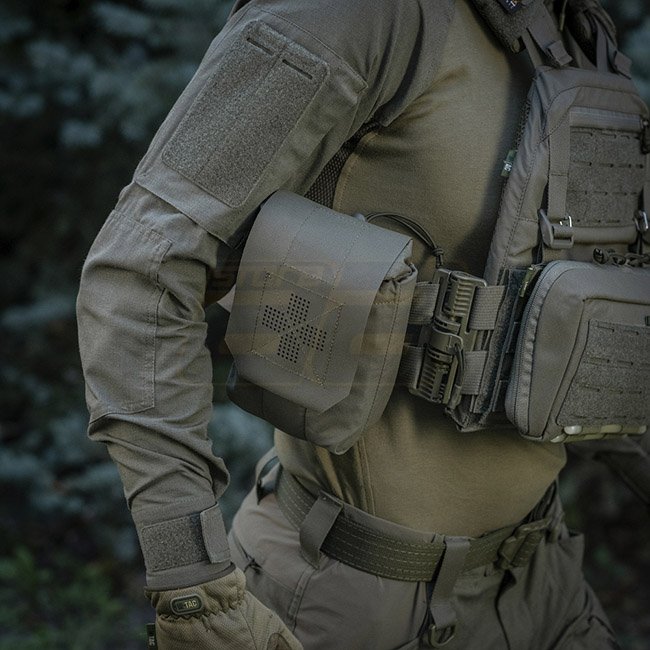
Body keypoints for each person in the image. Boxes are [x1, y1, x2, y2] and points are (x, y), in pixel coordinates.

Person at [77, 0, 629, 647]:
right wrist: (194, 589)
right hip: (348, 604)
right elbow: (139, 271)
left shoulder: (578, 33)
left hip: (549, 585)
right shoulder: (365, 14)